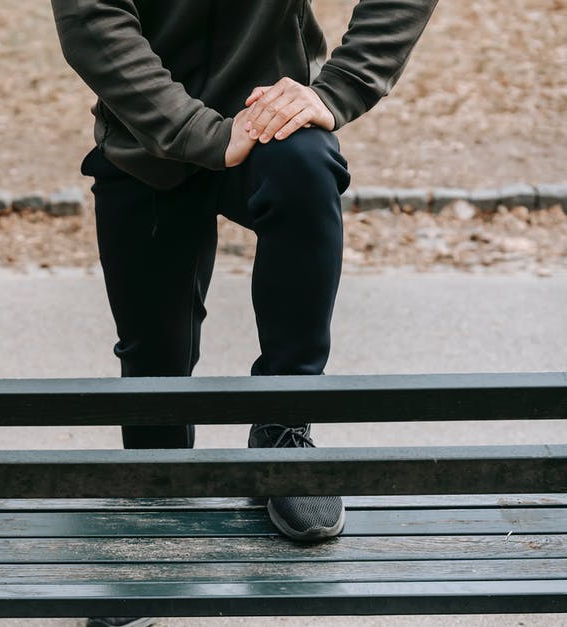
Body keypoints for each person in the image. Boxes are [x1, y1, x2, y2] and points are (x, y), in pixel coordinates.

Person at [50, 1, 436, 621]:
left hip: (271, 124)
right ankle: (158, 482)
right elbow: (94, 19)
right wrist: (202, 133)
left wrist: (340, 87)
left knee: (306, 166)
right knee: (155, 354)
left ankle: (283, 427)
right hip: (146, 137)